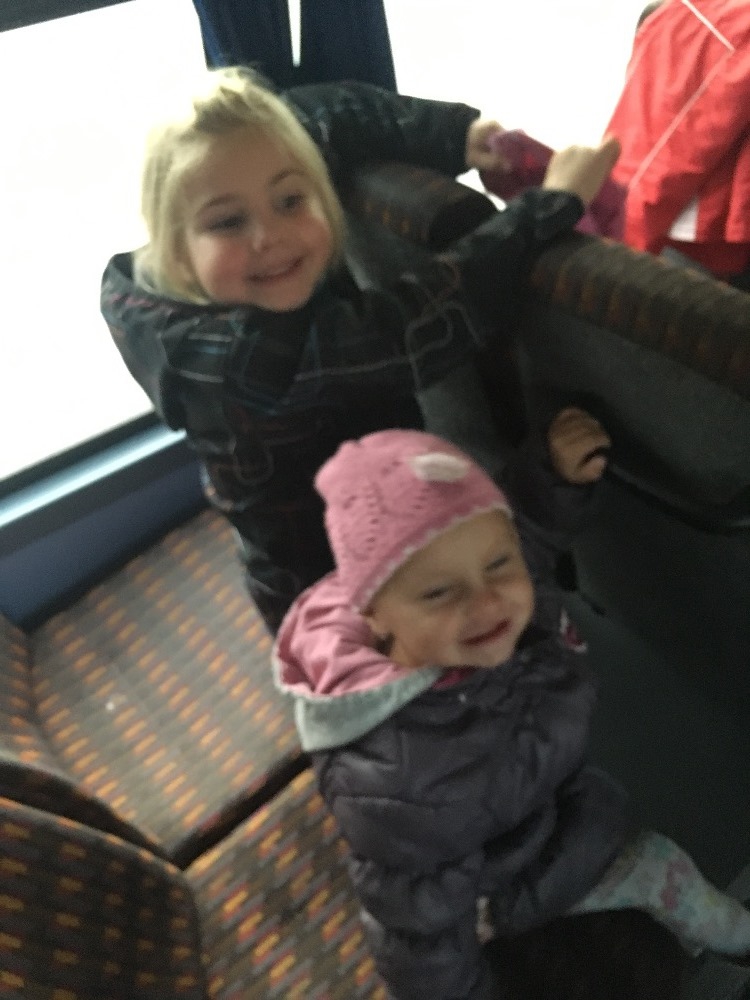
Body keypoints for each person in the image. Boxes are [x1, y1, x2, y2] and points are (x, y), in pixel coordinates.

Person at [101, 65, 620, 634]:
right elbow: (409, 328)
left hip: (393, 509)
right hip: (331, 594)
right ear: (176, 248)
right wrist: (549, 206)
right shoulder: (231, 364)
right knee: (433, 668)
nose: (268, 236)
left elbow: (325, 116)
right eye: (228, 222)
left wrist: (455, 134)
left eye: (290, 200)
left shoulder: (205, 251)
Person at [273, 420, 750, 1000]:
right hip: (517, 892)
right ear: (372, 613)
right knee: (659, 875)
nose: (487, 601)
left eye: (498, 564)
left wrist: (551, 477)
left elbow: (524, 540)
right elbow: (420, 937)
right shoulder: (404, 784)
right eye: (439, 592)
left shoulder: (481, 612)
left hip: (557, 814)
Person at [605, 0, 750, 286]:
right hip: (697, 239)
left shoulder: (713, 18)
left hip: (679, 240)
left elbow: (663, 154)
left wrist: (611, 233)